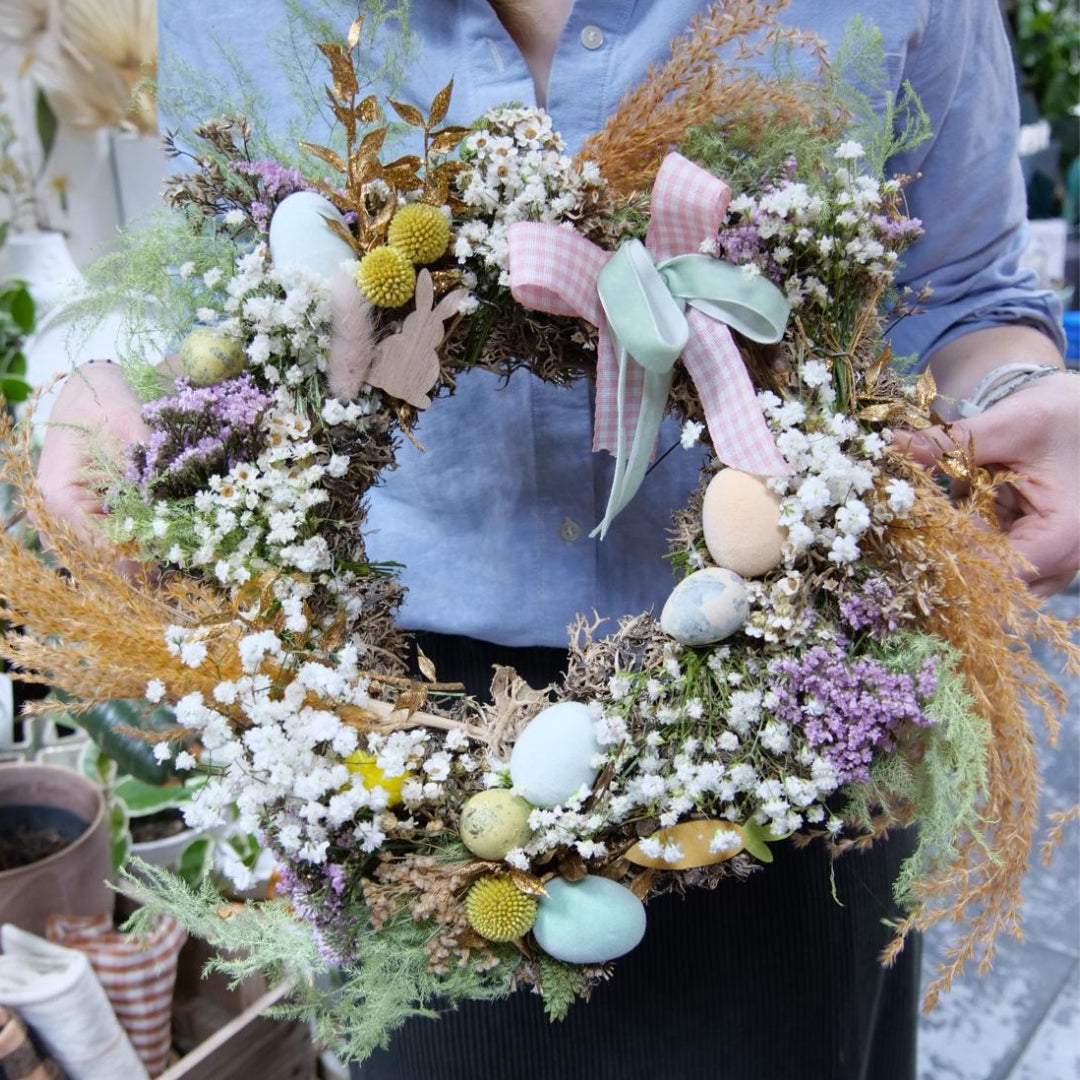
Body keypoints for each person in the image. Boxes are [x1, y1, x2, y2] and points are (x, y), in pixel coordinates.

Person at [34, 3, 1079, 1077]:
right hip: (397, 730)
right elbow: (221, 300)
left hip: (799, 695)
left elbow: (960, 293)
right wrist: (96, 382)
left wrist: (1018, 391)